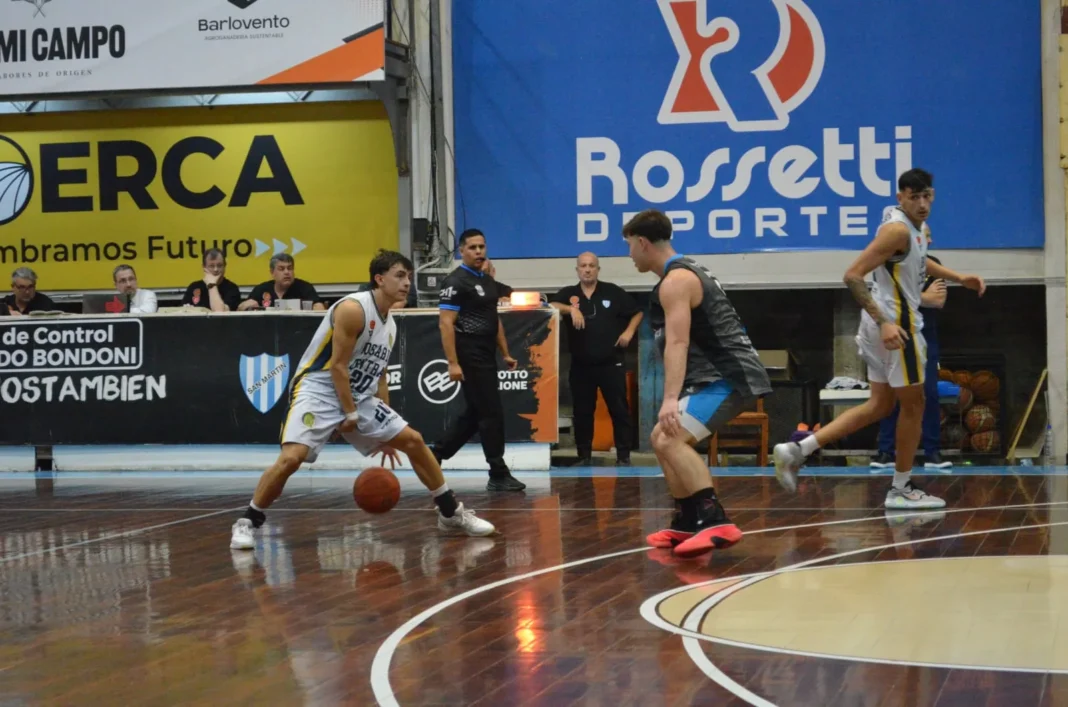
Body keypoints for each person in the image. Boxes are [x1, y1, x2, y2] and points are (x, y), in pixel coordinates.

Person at [230, 249, 495, 550]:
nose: (407, 282)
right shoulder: (354, 309)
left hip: (357, 393)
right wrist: (351, 415)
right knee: (292, 459)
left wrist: (386, 427)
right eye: (399, 275)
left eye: (408, 276)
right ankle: (247, 521)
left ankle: (450, 513)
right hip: (318, 388)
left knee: (413, 440)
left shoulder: (390, 326)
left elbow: (380, 376)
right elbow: (337, 367)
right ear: (379, 279)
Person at [773, 169, 985, 509]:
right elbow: (852, 276)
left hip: (881, 326)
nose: (921, 203)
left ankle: (798, 449)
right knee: (915, 405)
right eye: (913, 197)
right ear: (900, 197)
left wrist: (958, 276)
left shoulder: (911, 229)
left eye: (926, 195)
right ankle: (901, 488)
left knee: (881, 405)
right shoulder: (896, 230)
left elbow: (919, 262)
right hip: (896, 327)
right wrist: (886, 322)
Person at [623, 209, 772, 558]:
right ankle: (688, 520)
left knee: (671, 436)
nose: (628, 254)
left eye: (629, 245)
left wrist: (669, 398)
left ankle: (715, 520)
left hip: (728, 378)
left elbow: (678, 343)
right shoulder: (681, 274)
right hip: (714, 377)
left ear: (643, 243)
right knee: (661, 438)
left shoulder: (677, 281)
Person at [433, 229, 526, 492]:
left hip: (486, 353)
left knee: (476, 412)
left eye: (482, 247)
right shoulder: (455, 282)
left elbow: (493, 322)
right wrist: (453, 363)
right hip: (469, 352)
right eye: (472, 247)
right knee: (491, 412)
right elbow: (445, 324)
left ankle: (436, 455)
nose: (479, 252)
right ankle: (498, 471)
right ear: (461, 251)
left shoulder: (486, 281)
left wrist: (505, 352)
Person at [549, 252, 642, 466]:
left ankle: (623, 456)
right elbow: (550, 305)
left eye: (592, 266)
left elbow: (637, 313)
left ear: (598, 269)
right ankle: (584, 456)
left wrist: (628, 332)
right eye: (583, 266)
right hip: (581, 365)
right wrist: (570, 309)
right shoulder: (569, 294)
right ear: (577, 270)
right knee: (582, 412)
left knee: (619, 409)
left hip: (611, 362)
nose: (587, 269)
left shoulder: (612, 291)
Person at [871, 222, 951, 471]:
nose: (923, 240)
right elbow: (882, 295)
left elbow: (937, 300)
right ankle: (885, 452)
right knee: (890, 394)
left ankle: (932, 452)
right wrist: (918, 297)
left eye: (926, 236)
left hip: (925, 335)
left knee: (927, 393)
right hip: (895, 333)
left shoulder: (933, 263)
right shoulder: (888, 262)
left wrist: (906, 296)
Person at [239, 253, 325, 311]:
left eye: (290, 268)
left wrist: (317, 307)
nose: (287, 272)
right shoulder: (262, 289)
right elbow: (240, 310)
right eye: (281, 269)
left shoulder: (305, 288)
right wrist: (245, 306)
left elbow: (320, 308)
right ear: (272, 272)